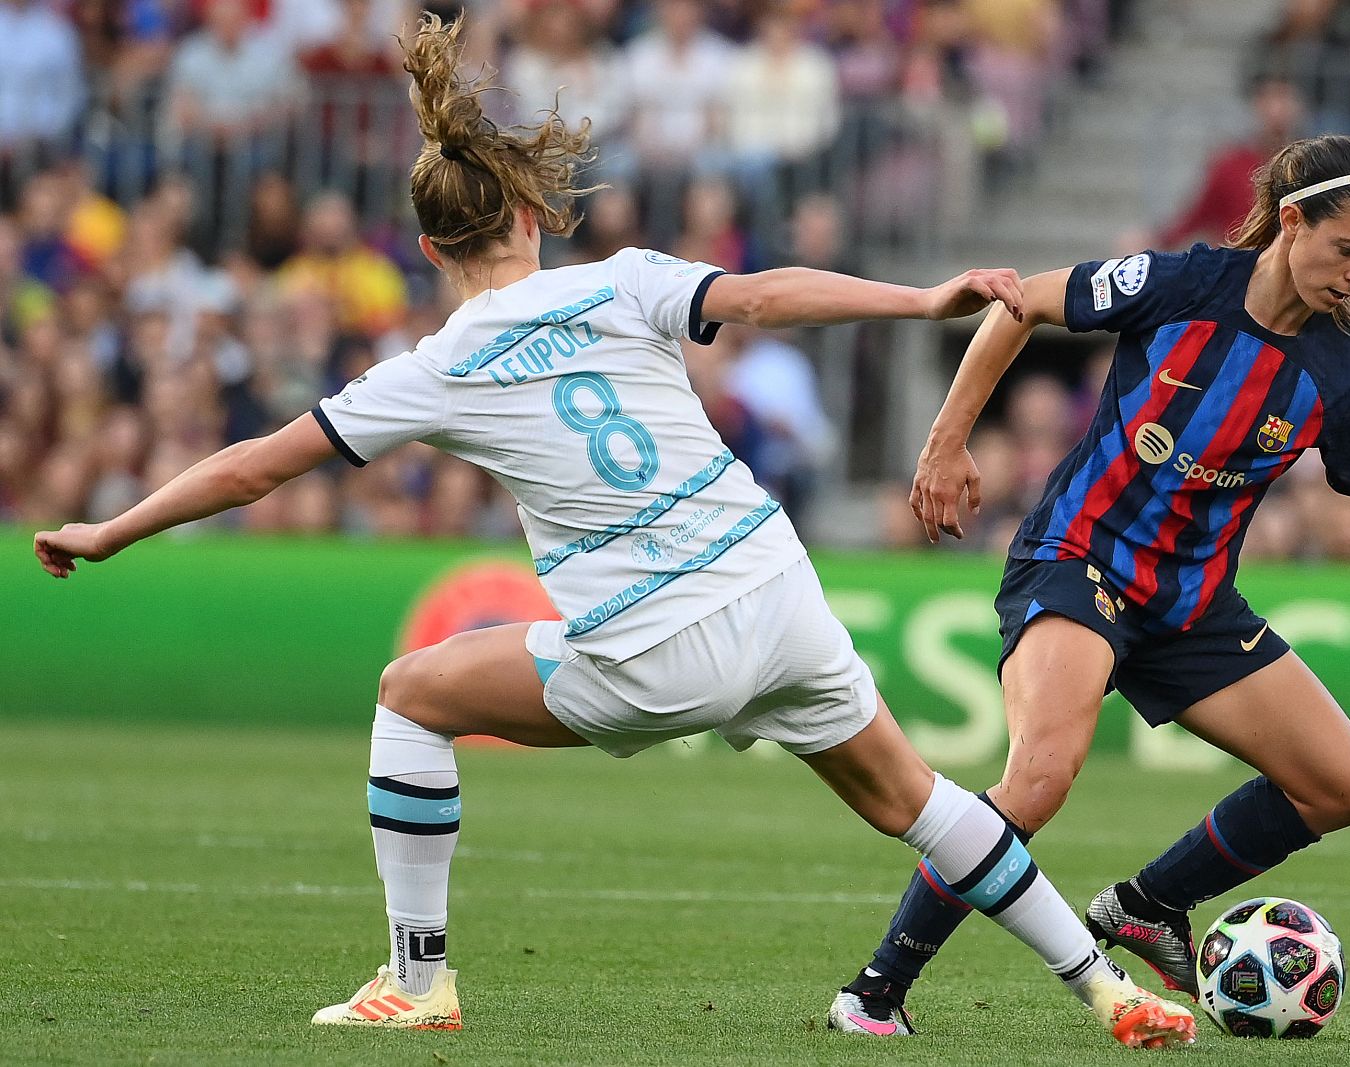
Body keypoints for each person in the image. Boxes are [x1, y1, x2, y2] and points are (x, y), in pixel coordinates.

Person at [31, 14, 1196, 1051]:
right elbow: (761, 294)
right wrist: (922, 296)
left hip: (655, 643)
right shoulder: (623, 279)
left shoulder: (432, 368)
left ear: (431, 251)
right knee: (918, 798)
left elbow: (253, 466)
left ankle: (416, 982)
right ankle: (1100, 987)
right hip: (777, 589)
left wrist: (115, 526)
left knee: (410, 693)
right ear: (531, 216)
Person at [825, 134, 1350, 1035]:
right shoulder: (1181, 282)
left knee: (1345, 783)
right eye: (1348, 249)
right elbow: (1017, 303)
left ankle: (1148, 904)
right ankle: (875, 992)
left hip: (1190, 605)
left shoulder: (1346, 376)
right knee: (1038, 779)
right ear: (1291, 221)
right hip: (1078, 559)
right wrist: (946, 440)